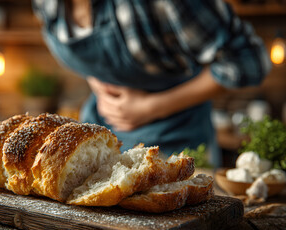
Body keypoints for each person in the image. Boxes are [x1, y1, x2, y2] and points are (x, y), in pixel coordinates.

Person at [32, 0, 271, 167]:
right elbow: (90, 59)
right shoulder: (47, 3)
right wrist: (98, 84)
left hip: (177, 144)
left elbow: (248, 60)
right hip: (99, 135)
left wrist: (149, 108)